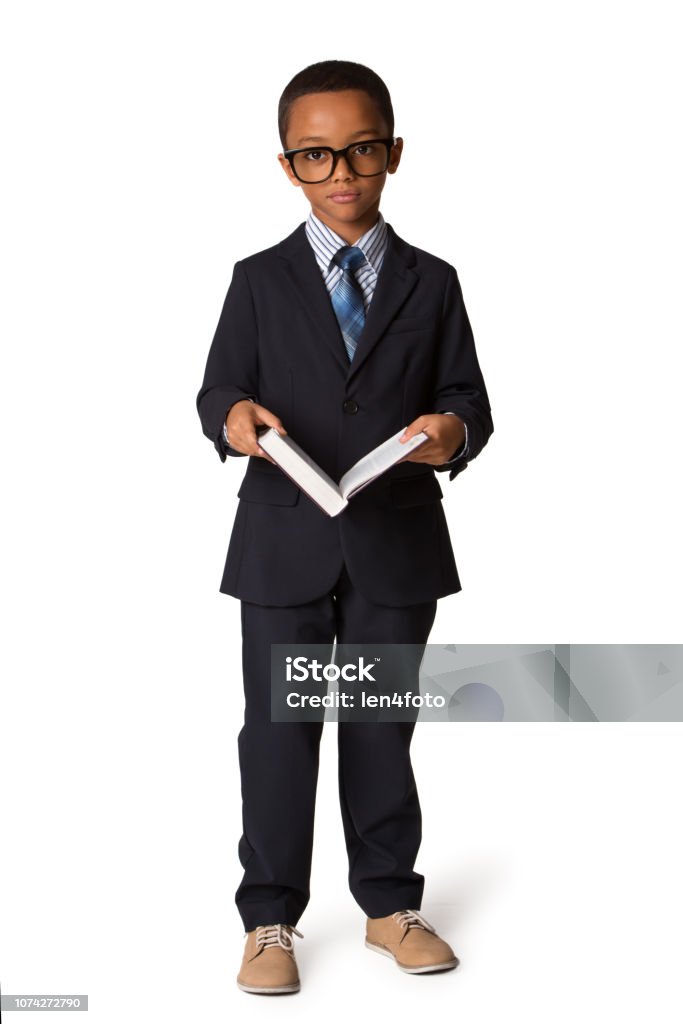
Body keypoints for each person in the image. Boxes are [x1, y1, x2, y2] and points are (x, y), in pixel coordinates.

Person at [196, 59, 494, 995]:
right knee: (277, 732)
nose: (341, 172)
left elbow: (465, 400)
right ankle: (271, 919)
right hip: (284, 538)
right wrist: (233, 420)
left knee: (378, 727)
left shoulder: (432, 282)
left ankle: (386, 906)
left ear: (392, 152)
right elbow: (218, 390)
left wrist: (448, 431)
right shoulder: (257, 279)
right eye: (316, 156)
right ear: (288, 166)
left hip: (392, 541)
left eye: (361, 150)